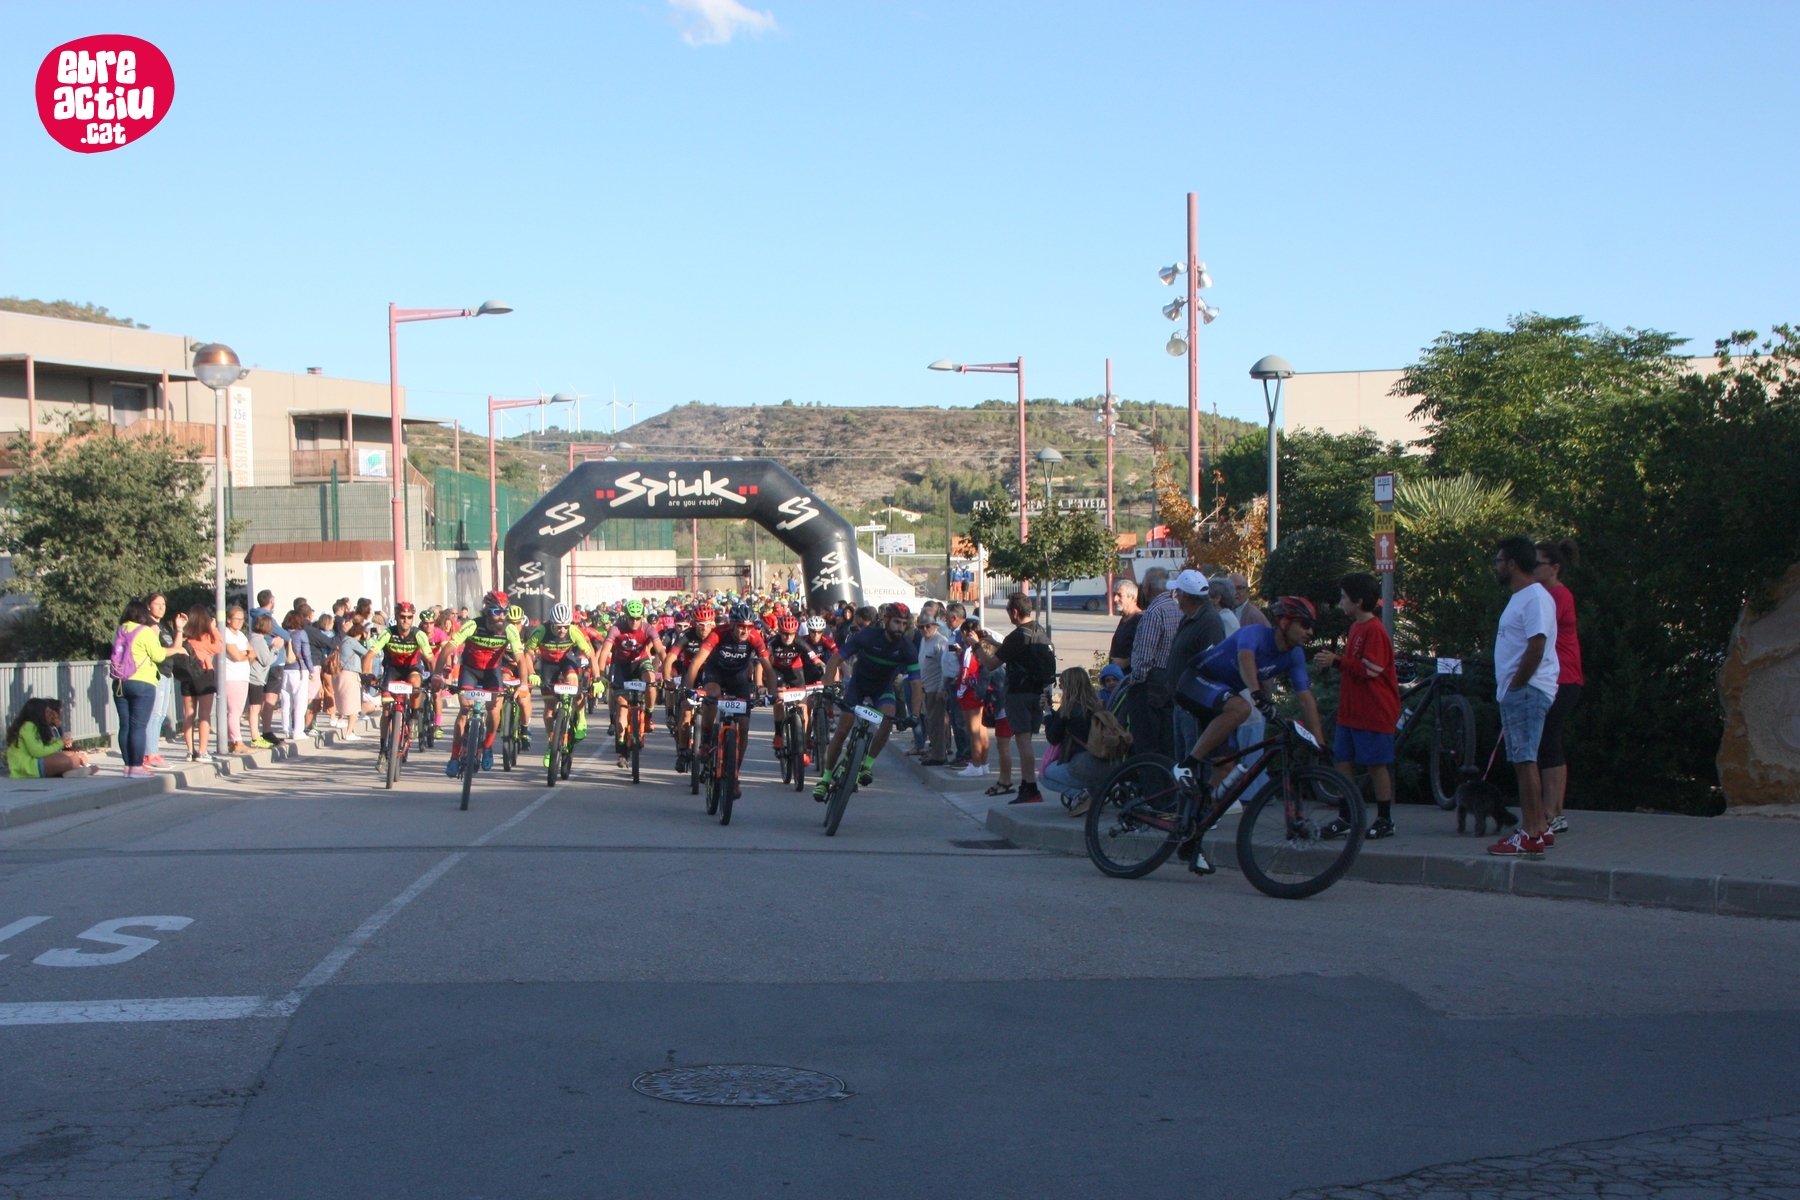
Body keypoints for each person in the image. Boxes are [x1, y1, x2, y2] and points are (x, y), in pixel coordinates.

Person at [1174, 597, 1328, 860]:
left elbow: (1305, 699)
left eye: (1312, 626)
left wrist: (1320, 743)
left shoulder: (1294, 655)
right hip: (1196, 680)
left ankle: (1191, 836)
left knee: (1226, 771)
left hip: (1222, 699)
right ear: (1284, 622)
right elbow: (1246, 659)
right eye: (1304, 624)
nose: (1310, 631)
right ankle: (1186, 766)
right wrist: (1257, 695)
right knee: (1242, 708)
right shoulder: (1254, 634)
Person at [1487, 537, 1560, 857]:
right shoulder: (1521, 597)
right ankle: (1539, 827)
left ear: (1512, 564)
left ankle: (1530, 834)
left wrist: (1516, 685)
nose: (1496, 567)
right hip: (1518, 691)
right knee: (1522, 759)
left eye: (1498, 561)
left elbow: (1537, 645)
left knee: (1525, 759)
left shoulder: (1535, 598)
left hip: (1527, 691)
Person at [1314, 573, 1400, 839]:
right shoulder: (1355, 628)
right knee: (1342, 760)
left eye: (1344, 597)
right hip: (1351, 710)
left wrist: (1337, 662)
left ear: (1359, 600)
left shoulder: (1374, 630)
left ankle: (1385, 819)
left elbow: (1371, 670)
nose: (1341, 602)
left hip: (1374, 709)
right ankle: (1347, 815)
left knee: (1376, 765)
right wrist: (1335, 663)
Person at [813, 602, 922, 800]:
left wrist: (914, 714)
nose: (901, 627)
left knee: (887, 721)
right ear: (887, 620)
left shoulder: (907, 648)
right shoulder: (868, 636)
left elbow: (916, 684)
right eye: (897, 622)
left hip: (882, 688)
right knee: (842, 730)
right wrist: (828, 686)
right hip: (858, 685)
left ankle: (867, 765)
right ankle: (825, 779)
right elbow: (835, 659)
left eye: (904, 623)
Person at [684, 603, 777, 797]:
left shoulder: (755, 637)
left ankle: (734, 774)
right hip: (715, 673)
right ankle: (706, 740)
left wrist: (772, 694)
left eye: (749, 627)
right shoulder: (718, 633)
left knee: (744, 727)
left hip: (738, 678)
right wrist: (689, 690)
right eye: (741, 626)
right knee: (712, 695)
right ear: (732, 624)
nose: (745, 631)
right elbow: (697, 662)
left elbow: (768, 668)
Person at [435, 591, 527, 775]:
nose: (501, 616)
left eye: (505, 612)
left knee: (494, 709)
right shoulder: (473, 625)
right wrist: (437, 675)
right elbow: (448, 649)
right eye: (496, 612)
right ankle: (454, 757)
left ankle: (487, 746)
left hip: (492, 673)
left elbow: (520, 658)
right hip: (470, 670)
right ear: (487, 610)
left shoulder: (509, 629)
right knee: (465, 709)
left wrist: (523, 683)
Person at [1534, 539, 1583, 835]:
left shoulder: (1558, 596)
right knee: (1547, 742)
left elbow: (1540, 633)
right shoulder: (1547, 594)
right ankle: (1553, 811)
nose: (1532, 569)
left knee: (1548, 742)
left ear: (1554, 568)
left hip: (1562, 678)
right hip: (1557, 678)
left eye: (1537, 564)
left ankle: (1552, 812)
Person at [994, 591, 1055, 804]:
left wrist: (975, 645)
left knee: (1023, 741)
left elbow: (991, 664)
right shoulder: (1039, 631)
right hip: (1037, 693)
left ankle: (1030, 787)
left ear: (1014, 612)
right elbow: (1015, 653)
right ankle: (1027, 786)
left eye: (1008, 611)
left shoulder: (1017, 635)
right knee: (1026, 740)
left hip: (1018, 695)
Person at [113, 598, 180, 778]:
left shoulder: (120, 630)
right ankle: (136, 766)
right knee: (139, 725)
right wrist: (155, 636)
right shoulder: (145, 631)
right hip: (142, 681)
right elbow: (158, 656)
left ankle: (128, 765)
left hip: (120, 681)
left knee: (125, 725)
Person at [1165, 570, 1227, 763]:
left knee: (1193, 761)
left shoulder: (1209, 622)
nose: (1175, 596)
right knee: (1182, 761)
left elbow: (1214, 666)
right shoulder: (1190, 617)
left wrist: (1198, 702)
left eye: (1177, 592)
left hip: (1194, 708)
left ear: (1185, 595)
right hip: (1182, 704)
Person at [523, 603, 596, 766]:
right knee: (549, 707)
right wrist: (532, 673)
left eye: (565, 626)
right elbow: (527, 653)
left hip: (566, 661)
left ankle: (581, 719)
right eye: (558, 626)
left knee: (574, 684)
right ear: (552, 623)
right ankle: (551, 743)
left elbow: (591, 655)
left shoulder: (574, 631)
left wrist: (597, 679)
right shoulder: (541, 631)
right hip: (548, 666)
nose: (562, 630)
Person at [1041, 667, 1117, 816]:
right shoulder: (1098, 705)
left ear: (1069, 686)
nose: (1060, 687)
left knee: (1044, 775)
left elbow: (1053, 737)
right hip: (1109, 764)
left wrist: (1048, 713)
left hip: (1084, 765)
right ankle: (1096, 798)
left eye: (1062, 684)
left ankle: (1080, 796)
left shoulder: (1067, 709)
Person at [597, 599, 662, 768]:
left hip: (641, 662)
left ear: (643, 617)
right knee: (622, 710)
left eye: (638, 618)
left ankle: (649, 714)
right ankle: (622, 749)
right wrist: (601, 677)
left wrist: (666, 671)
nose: (634, 621)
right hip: (622, 666)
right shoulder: (616, 629)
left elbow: (661, 650)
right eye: (631, 618)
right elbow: (604, 652)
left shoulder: (648, 628)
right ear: (625, 616)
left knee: (651, 680)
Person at [1127, 568, 1180, 761]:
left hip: (1150, 683)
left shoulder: (1153, 613)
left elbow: (1145, 657)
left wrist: (1135, 680)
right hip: (1172, 679)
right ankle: (1168, 777)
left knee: (1147, 743)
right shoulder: (1178, 610)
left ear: (1147, 587)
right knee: (1168, 742)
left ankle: (1152, 779)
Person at [7, 698, 97, 778]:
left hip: (34, 762)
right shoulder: (28, 726)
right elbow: (38, 752)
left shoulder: (34, 725)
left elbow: (41, 744)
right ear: (38, 713)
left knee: (73, 756)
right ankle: (70, 771)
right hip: (27, 767)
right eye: (46, 712)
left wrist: (60, 741)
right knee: (69, 760)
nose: (49, 715)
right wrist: (60, 743)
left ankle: (67, 773)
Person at [181, 606, 222, 762]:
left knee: (188, 714)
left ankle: (189, 751)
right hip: (204, 674)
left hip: (187, 676)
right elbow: (218, 647)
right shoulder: (205, 637)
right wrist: (214, 629)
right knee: (204, 714)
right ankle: (202, 751)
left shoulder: (185, 638)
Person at [142, 592, 177, 767]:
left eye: (163, 604)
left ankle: (153, 751)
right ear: (148, 606)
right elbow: (154, 650)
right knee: (154, 714)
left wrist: (179, 629)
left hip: (167, 672)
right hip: (156, 672)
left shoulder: (163, 625)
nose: (162, 607)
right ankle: (150, 754)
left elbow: (175, 647)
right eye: (157, 604)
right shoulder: (148, 625)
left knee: (161, 714)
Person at [914, 611, 951, 766]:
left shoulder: (941, 642)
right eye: (921, 627)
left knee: (936, 724)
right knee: (930, 722)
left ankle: (939, 756)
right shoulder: (924, 640)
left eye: (928, 626)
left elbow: (945, 668)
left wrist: (942, 689)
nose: (925, 629)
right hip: (925, 688)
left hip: (936, 689)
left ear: (935, 626)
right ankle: (936, 751)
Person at [220, 605, 254, 754]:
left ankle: (232, 741)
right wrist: (245, 654)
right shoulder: (226, 633)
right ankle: (237, 742)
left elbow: (253, 654)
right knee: (234, 710)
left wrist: (245, 654)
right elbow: (237, 656)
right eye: (236, 619)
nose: (240, 621)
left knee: (238, 710)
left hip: (242, 675)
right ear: (229, 619)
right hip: (232, 676)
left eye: (242, 619)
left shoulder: (241, 635)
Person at [276, 609, 314, 742]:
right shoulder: (301, 633)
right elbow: (306, 654)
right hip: (299, 669)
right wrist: (311, 670)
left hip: (284, 669)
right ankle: (298, 731)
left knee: (285, 701)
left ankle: (286, 729)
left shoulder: (282, 633)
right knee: (300, 701)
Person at [247, 614, 278, 748]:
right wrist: (276, 648)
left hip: (255, 676)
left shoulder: (253, 638)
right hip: (255, 677)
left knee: (256, 707)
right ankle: (255, 737)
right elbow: (266, 661)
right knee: (255, 708)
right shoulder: (259, 641)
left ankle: (256, 736)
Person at [1108, 578, 1142, 672]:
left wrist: (1126, 662)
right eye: (1114, 594)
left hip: (1131, 675)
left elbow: (1146, 650)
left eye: (1120, 595)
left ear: (1133, 598)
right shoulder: (1124, 619)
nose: (1115, 599)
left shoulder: (1141, 619)